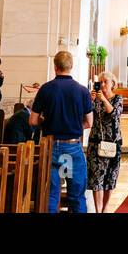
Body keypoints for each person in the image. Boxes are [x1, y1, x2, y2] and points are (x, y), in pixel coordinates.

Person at [31, 50, 94, 213]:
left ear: (55, 66)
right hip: (72, 147)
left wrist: (47, 124)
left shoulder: (45, 89)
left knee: (51, 195)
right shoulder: (82, 91)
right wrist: (72, 126)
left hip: (50, 146)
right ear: (71, 66)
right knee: (76, 196)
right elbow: (89, 122)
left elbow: (33, 120)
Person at [86, 70, 124, 213]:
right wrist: (89, 99)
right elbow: (86, 113)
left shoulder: (118, 98)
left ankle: (105, 207)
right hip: (96, 142)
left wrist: (103, 100)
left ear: (112, 84)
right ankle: (98, 209)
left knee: (110, 177)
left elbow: (114, 113)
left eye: (105, 82)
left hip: (113, 142)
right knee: (97, 179)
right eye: (100, 82)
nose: (102, 85)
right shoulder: (95, 99)